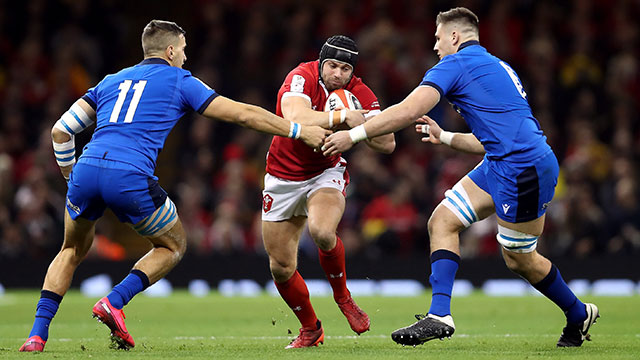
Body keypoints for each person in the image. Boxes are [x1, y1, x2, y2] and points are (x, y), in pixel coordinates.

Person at [19, 20, 329, 353]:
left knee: (70, 251)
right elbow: (241, 114)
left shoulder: (110, 81)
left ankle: (37, 336)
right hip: (129, 175)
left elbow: (61, 132)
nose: (185, 57)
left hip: (87, 168)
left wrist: (71, 178)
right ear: (170, 51)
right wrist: (297, 130)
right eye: (182, 50)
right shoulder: (180, 80)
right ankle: (114, 301)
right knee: (173, 245)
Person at [322, 7, 599, 348]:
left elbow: (408, 110)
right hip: (502, 161)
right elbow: (493, 137)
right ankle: (440, 315)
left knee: (518, 257)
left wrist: (353, 136)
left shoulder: (455, 64)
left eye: (438, 38)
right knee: (442, 221)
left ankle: (577, 312)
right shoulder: (498, 66)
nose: (436, 46)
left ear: (454, 36)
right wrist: (446, 137)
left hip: (524, 168)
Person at [262, 35, 395, 348]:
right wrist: (341, 117)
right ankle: (311, 328)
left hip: (325, 171)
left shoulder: (358, 92)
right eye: (332, 65)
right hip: (281, 176)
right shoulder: (301, 76)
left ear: (352, 72)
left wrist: (356, 130)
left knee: (321, 231)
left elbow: (387, 142)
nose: (337, 73)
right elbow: (294, 116)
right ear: (321, 63)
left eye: (345, 68)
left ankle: (343, 297)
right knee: (280, 267)